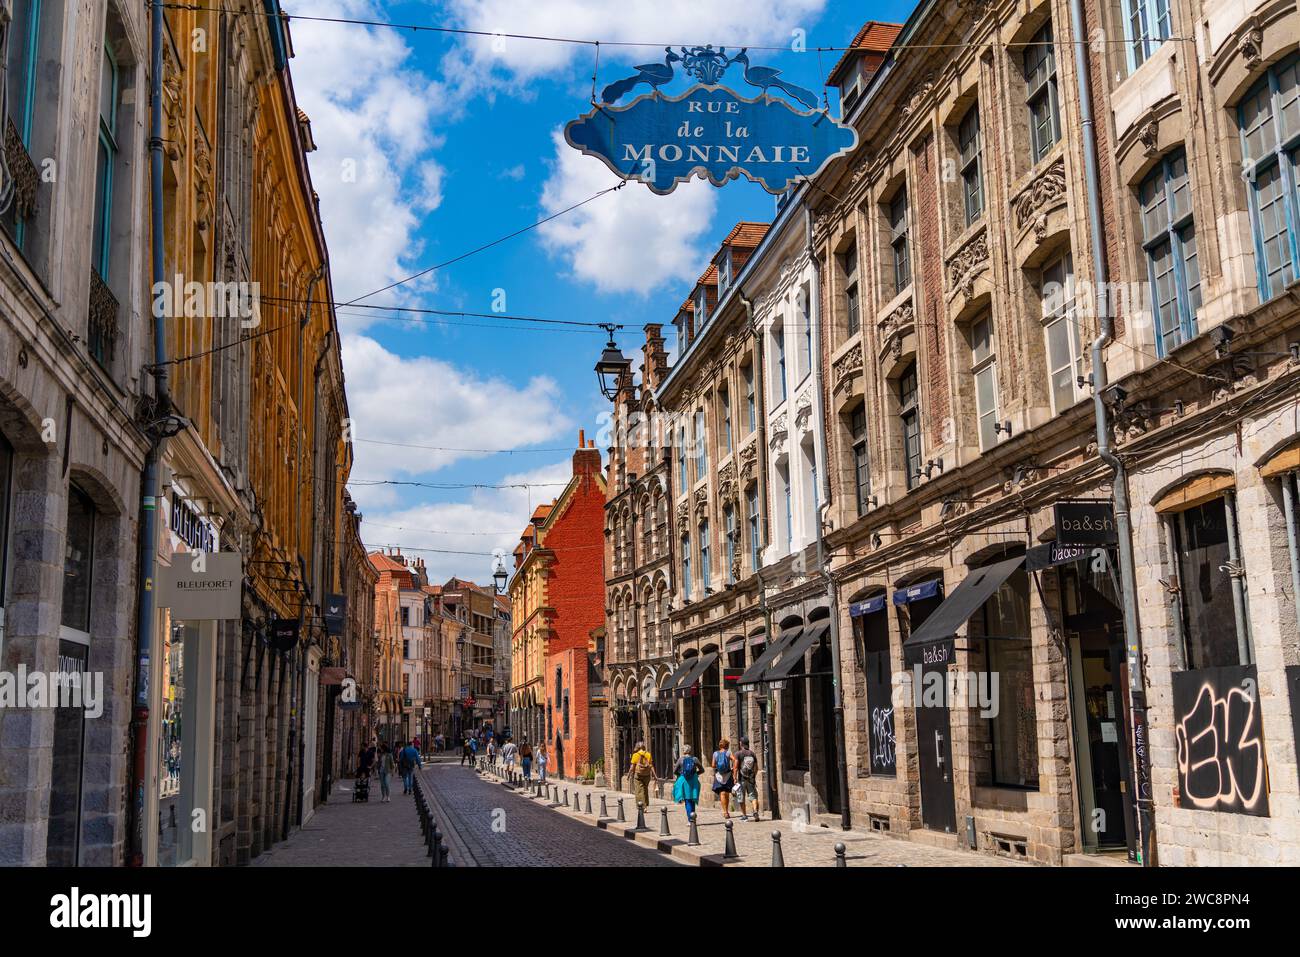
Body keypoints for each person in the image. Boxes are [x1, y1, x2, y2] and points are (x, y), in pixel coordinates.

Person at [733, 736, 760, 821]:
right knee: (753, 797)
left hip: (741, 779)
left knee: (741, 797)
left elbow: (736, 767)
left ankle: (744, 815)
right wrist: (753, 776)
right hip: (751, 779)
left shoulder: (738, 753)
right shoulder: (752, 753)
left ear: (741, 743)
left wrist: (734, 777)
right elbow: (756, 767)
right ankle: (755, 811)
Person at [672, 746, 701, 823]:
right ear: (690, 751)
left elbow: (675, 771)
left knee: (687, 800)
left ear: (683, 751)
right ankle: (693, 817)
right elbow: (702, 770)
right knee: (692, 799)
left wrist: (681, 775)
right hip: (694, 780)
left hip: (684, 780)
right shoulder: (695, 759)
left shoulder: (681, 759)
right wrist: (696, 774)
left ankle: (690, 819)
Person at [628, 740, 656, 810]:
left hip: (638, 775)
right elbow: (651, 765)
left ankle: (642, 806)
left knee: (639, 791)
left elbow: (632, 767)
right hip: (647, 775)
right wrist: (655, 775)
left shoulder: (635, 755)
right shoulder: (648, 754)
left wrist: (629, 774)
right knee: (645, 789)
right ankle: (646, 804)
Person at [711, 738, 735, 819]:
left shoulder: (715, 753)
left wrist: (718, 767)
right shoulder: (728, 753)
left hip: (719, 775)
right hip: (727, 775)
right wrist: (732, 768)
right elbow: (734, 759)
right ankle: (727, 810)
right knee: (727, 793)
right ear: (727, 746)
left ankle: (725, 812)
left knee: (722, 793)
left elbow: (713, 765)